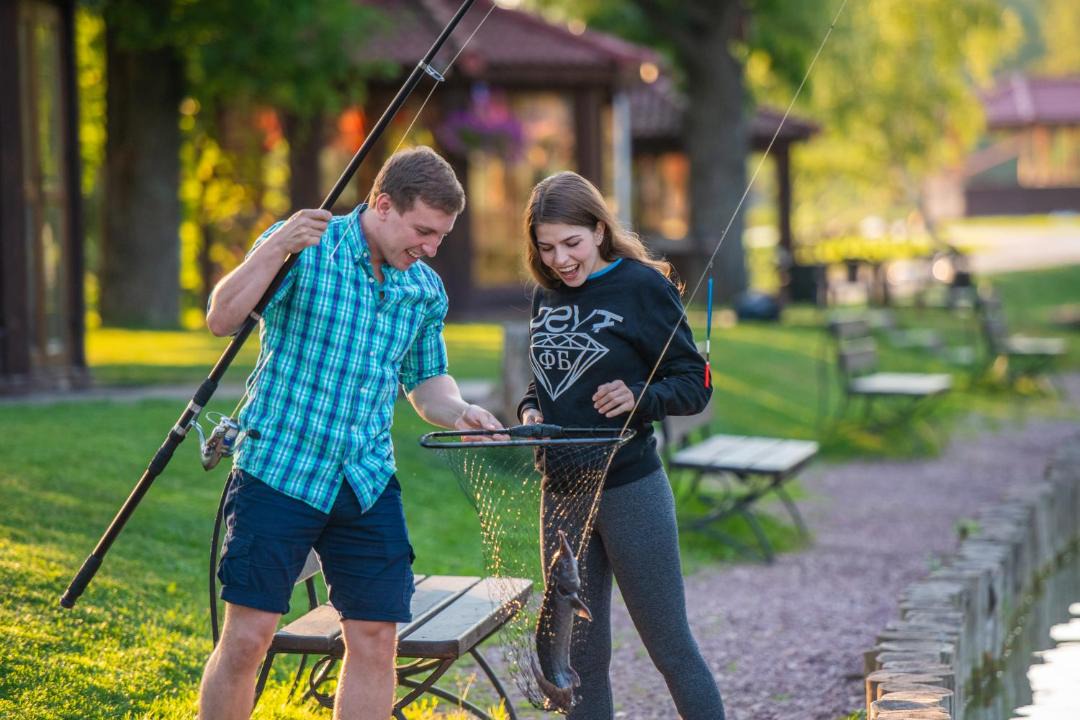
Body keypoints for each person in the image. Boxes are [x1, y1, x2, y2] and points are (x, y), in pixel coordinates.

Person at [199, 146, 502, 720]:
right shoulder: (307, 249)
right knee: (248, 639)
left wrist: (461, 412)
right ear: (383, 205)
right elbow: (222, 317)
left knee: (376, 638)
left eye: (441, 236)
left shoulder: (424, 290)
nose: (432, 248)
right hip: (279, 469)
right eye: (423, 231)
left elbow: (428, 384)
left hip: (364, 479)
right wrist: (277, 247)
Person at [517, 171, 726, 719]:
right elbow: (546, 378)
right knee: (579, 661)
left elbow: (694, 383)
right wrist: (530, 409)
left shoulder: (641, 286)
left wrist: (639, 396)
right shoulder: (546, 294)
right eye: (546, 247)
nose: (560, 258)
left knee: (670, 647)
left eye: (572, 243)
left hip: (631, 490)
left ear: (599, 229)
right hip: (560, 495)